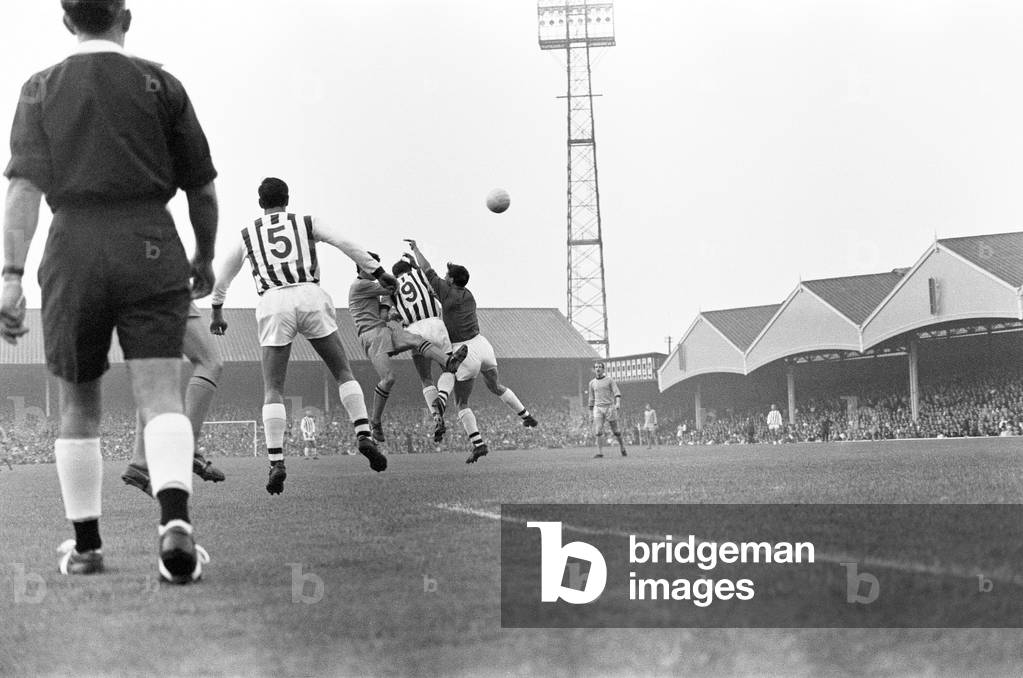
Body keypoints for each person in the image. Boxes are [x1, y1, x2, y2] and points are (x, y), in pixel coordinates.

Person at [0, 0, 217, 583]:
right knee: (160, 395)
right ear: (127, 17)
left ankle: (87, 546)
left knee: (78, 404)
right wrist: (202, 253)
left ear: (67, 21)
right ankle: (176, 524)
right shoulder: (161, 85)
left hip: (72, 246)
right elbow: (202, 187)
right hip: (149, 238)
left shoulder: (39, 88)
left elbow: (22, 190)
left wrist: (11, 276)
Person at [210, 177, 396, 494]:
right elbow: (344, 242)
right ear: (287, 199)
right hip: (310, 295)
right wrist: (378, 271)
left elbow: (225, 271)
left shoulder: (248, 233)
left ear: (260, 203)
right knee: (342, 371)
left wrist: (216, 309)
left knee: (273, 388)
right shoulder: (306, 222)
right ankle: (363, 434)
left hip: (273, 302)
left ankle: (277, 462)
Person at [405, 239, 537, 464]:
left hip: (463, 351)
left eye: (448, 276)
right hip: (483, 345)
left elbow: (429, 272)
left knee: (461, 401)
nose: (444, 278)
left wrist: (416, 250)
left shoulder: (447, 292)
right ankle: (526, 415)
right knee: (495, 386)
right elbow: (432, 277)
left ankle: (478, 443)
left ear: (452, 280)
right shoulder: (469, 295)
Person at [348, 254, 467, 442]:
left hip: (384, 329)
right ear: (363, 266)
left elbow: (384, 311)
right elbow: (391, 288)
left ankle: (449, 362)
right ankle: (375, 422)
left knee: (416, 340)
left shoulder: (371, 288)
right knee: (388, 379)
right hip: (372, 334)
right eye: (373, 265)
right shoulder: (360, 285)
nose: (376, 269)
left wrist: (391, 315)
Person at [121, 302, 226, 493]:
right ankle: (188, 448)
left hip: (130, 292)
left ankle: (140, 463)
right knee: (209, 362)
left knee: (156, 369)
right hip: (165, 282)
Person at [390, 255, 462, 442]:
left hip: (414, 332)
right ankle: (443, 398)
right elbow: (429, 274)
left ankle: (436, 416)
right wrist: (416, 262)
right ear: (409, 270)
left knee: (426, 378)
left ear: (395, 274)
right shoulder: (420, 275)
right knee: (449, 368)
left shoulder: (390, 287)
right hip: (435, 324)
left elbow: (390, 312)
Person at [588, 362, 627, 458]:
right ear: (594, 369)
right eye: (596, 367)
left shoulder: (609, 380)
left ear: (603, 369)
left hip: (609, 407)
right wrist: (590, 413)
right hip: (598, 408)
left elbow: (617, 392)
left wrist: (618, 403)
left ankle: (622, 447)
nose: (598, 369)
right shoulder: (592, 383)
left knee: (616, 431)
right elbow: (591, 398)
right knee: (598, 430)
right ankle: (600, 452)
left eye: (600, 367)